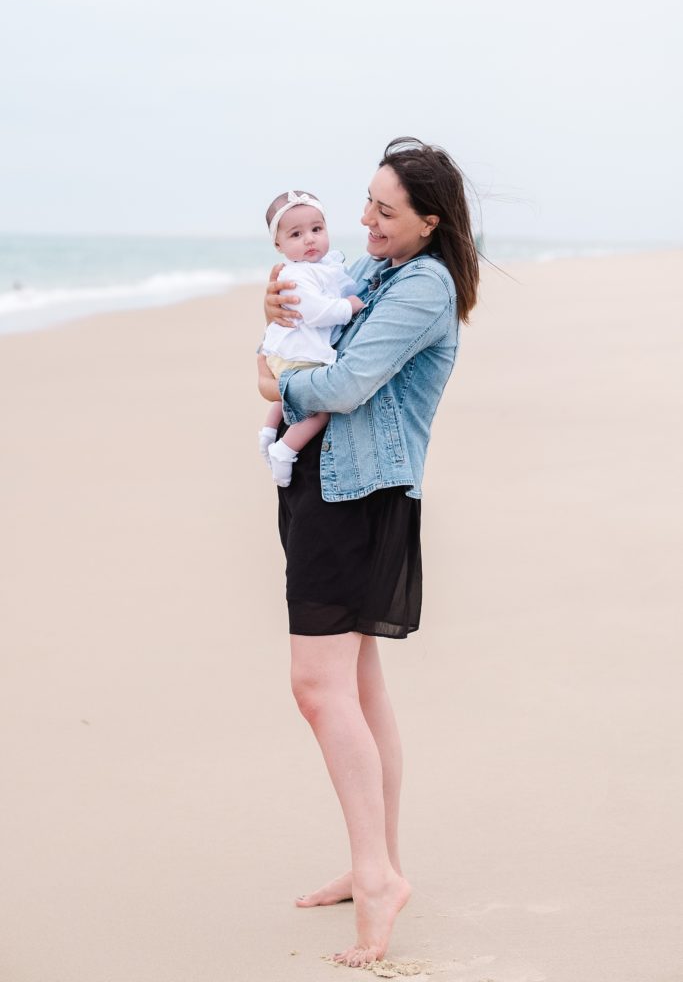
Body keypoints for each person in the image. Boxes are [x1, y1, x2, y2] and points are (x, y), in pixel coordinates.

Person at [257, 137, 479, 968]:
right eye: (366, 203)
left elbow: (342, 384)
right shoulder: (376, 271)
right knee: (354, 683)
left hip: (356, 501)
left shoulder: (422, 284)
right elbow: (299, 318)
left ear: (429, 220)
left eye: (384, 212)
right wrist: (274, 330)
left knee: (316, 689)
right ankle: (373, 863)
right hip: (325, 488)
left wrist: (276, 380)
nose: (363, 222)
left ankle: (379, 877)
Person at [258, 189, 365, 486]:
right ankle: (285, 449)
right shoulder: (297, 276)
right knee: (319, 411)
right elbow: (318, 312)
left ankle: (268, 429)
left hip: (287, 353)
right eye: (296, 234)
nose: (309, 239)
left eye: (316, 229)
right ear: (278, 244)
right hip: (299, 354)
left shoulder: (320, 267)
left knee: (287, 393)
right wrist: (349, 307)